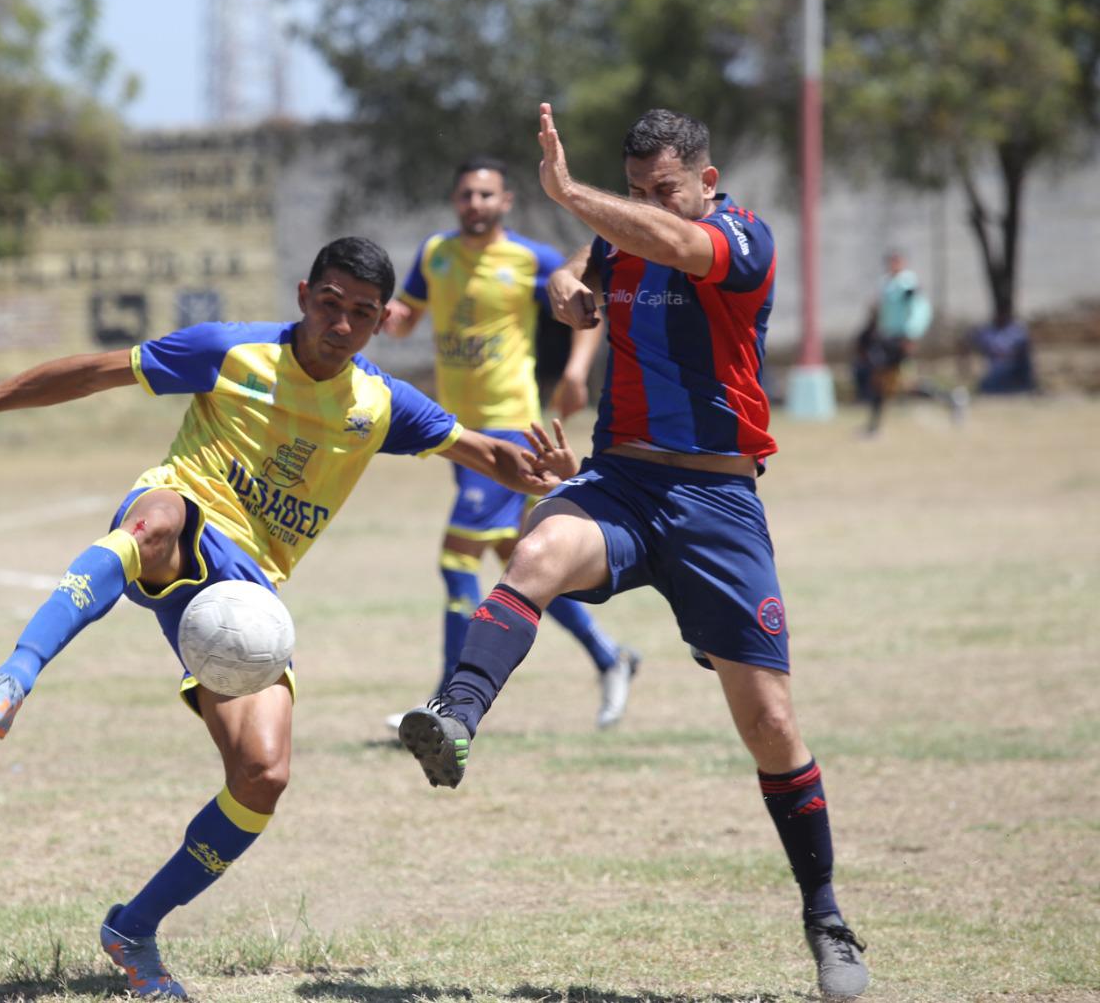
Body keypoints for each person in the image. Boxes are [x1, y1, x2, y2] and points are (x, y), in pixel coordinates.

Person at [0, 236, 575, 1000]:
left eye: (360, 314)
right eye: (330, 304)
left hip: (245, 603)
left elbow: (480, 451)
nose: (339, 324)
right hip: (186, 516)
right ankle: (12, 677)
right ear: (305, 293)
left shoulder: (378, 406)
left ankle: (132, 929)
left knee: (263, 774)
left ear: (379, 324)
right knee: (152, 523)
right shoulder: (227, 352)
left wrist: (543, 473)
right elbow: (92, 371)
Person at [396, 106, 870, 1000]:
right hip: (619, 483)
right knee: (532, 554)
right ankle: (453, 720)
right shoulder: (622, 240)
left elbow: (674, 248)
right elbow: (587, 269)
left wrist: (571, 196)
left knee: (769, 725)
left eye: (668, 189)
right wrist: (567, 288)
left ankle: (826, 917)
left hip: (716, 502)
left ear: (707, 181)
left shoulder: (742, 238)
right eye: (641, 189)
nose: (655, 204)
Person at [380, 156, 639, 731]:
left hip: (507, 428)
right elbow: (407, 318)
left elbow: (585, 305)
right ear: (455, 200)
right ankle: (610, 656)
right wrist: (386, 315)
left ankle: (447, 701)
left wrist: (576, 373)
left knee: (456, 557)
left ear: (507, 201)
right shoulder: (434, 255)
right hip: (454, 430)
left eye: (486, 194)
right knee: (519, 563)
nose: (476, 204)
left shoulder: (530, 258)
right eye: (466, 194)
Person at [861, 250, 935, 434]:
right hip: (887, 338)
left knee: (894, 381)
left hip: (901, 339)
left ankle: (873, 427)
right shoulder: (887, 283)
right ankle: (873, 426)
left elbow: (920, 309)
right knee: (889, 380)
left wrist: (911, 334)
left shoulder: (907, 285)